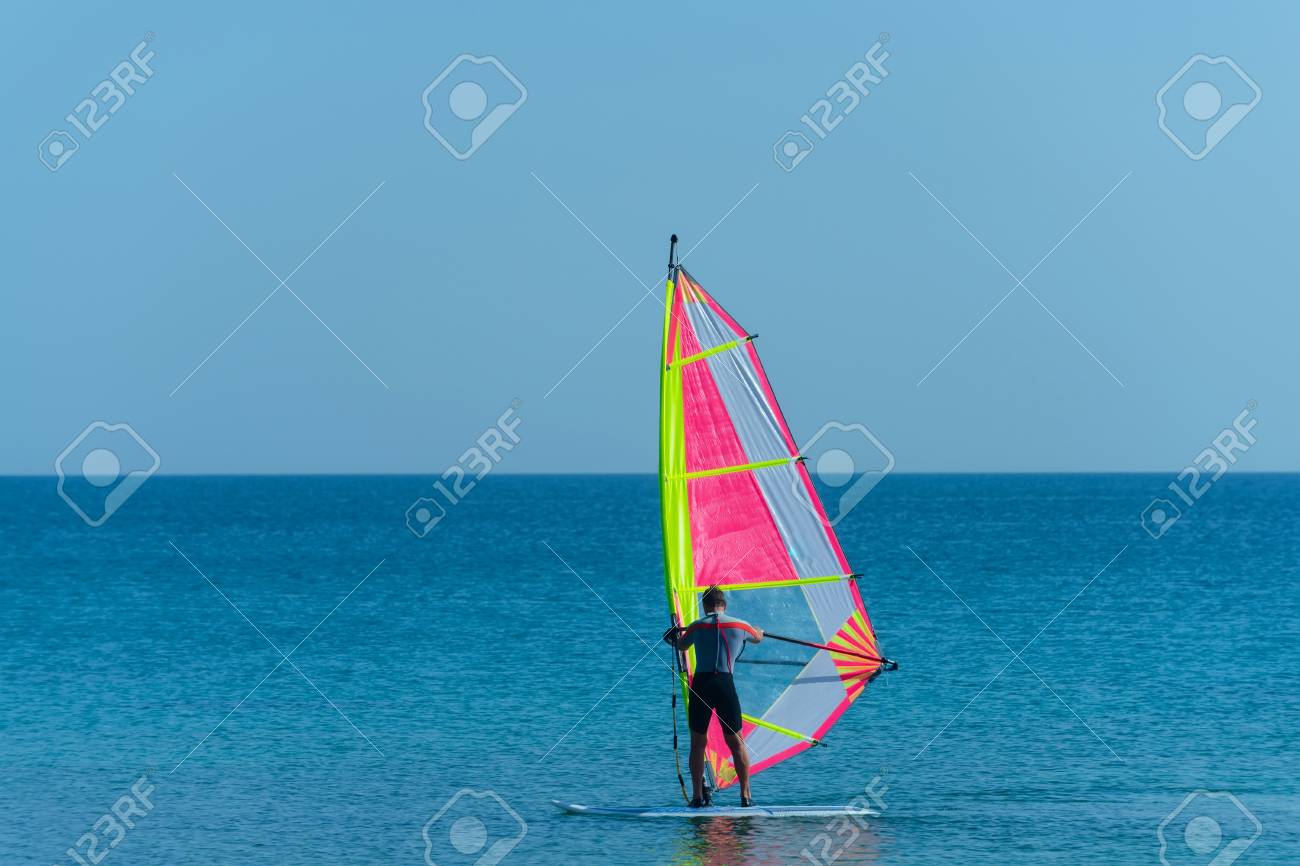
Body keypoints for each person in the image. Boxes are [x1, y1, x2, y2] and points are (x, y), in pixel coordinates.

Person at [663, 586, 764, 807]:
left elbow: (680, 645)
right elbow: (757, 637)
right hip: (725, 685)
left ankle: (697, 797)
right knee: (736, 743)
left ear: (705, 605)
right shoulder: (741, 625)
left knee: (698, 743)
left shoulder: (697, 626)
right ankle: (745, 796)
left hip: (702, 685)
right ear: (724, 604)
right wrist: (758, 630)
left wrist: (671, 638)